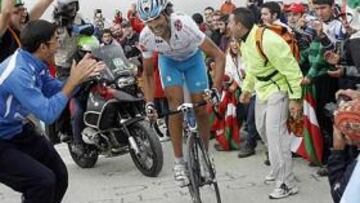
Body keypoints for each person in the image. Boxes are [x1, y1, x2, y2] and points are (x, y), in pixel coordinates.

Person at [0, 19, 104, 203]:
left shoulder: (35, 62)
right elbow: (48, 114)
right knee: (42, 182)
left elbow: (55, 90)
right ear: (43, 47)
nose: (60, 43)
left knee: (59, 175)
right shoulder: (18, 73)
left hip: (15, 130)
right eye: (56, 39)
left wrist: (81, 78)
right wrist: (72, 81)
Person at [137, 0, 225, 187]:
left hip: (193, 60)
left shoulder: (184, 25)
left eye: (156, 18)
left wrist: (216, 90)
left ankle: (204, 158)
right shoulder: (145, 37)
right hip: (169, 63)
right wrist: (149, 102)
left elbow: (219, 55)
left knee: (201, 108)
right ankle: (178, 163)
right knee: (174, 107)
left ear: (166, 13)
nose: (153, 26)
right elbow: (148, 73)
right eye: (147, 22)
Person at [229, 7, 303, 199]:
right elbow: (253, 68)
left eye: (230, 22)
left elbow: (292, 69)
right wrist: (246, 89)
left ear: (239, 25)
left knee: (276, 136)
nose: (228, 26)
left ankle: (287, 182)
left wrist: (295, 99)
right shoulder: (245, 41)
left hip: (278, 90)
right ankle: (278, 168)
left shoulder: (267, 39)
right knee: (263, 130)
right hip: (262, 91)